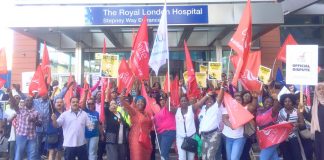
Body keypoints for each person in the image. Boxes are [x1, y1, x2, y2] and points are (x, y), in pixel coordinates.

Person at [8, 90, 42, 160]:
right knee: (19, 154)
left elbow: (40, 124)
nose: (28, 102)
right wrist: (10, 94)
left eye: (30, 100)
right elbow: (14, 104)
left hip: (32, 137)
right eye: (27, 100)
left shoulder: (36, 112)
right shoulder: (20, 110)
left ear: (32, 102)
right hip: (21, 136)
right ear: (24, 102)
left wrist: (34, 121)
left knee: (32, 155)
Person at [120, 95, 152, 160]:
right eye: (138, 101)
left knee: (146, 157)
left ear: (145, 103)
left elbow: (150, 125)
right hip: (136, 140)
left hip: (146, 139)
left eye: (142, 101)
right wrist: (122, 99)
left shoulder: (147, 114)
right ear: (135, 103)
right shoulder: (134, 112)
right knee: (137, 157)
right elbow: (127, 106)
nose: (140, 103)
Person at [197, 85, 225, 160]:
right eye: (207, 100)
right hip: (203, 136)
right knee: (204, 157)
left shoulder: (215, 107)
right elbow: (199, 102)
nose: (209, 101)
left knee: (210, 157)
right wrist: (205, 94)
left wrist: (222, 87)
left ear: (214, 100)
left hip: (213, 135)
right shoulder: (202, 108)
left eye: (211, 99)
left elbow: (220, 98)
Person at [277, 94, 305, 160]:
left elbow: (302, 124)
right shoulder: (281, 112)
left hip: (294, 137)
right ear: (283, 103)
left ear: (292, 102)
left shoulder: (297, 111)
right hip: (284, 138)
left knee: (297, 156)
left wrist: (297, 124)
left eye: (289, 101)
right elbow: (278, 124)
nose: (287, 103)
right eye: (285, 101)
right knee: (287, 156)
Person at [256, 90, 281, 160]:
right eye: (267, 101)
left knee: (263, 158)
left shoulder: (273, 112)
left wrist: (276, 99)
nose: (269, 104)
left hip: (271, 139)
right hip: (262, 138)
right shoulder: (259, 110)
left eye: (271, 103)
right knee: (274, 157)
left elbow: (275, 107)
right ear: (263, 102)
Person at [154, 93, 176, 160]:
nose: (162, 101)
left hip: (168, 132)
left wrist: (168, 97)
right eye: (160, 100)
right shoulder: (158, 110)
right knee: (163, 153)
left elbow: (168, 105)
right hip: (160, 133)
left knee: (163, 153)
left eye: (164, 99)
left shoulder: (169, 107)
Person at [311, 82, 324, 160]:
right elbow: (308, 118)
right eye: (319, 89)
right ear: (316, 91)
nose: (321, 91)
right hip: (319, 133)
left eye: (323, 89)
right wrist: (301, 111)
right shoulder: (315, 105)